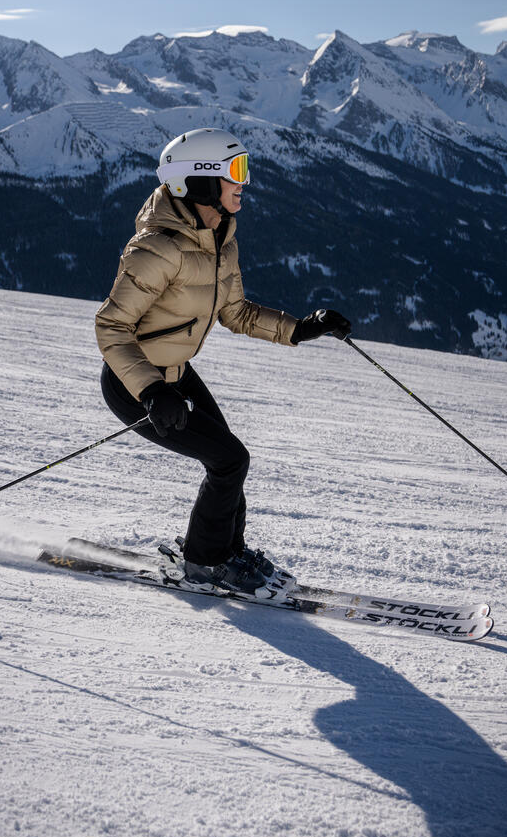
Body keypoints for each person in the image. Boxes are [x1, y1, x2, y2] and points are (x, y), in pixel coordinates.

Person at [95, 127, 351, 596]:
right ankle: (204, 562)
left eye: (244, 170)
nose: (244, 183)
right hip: (137, 387)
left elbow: (235, 311)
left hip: (176, 375)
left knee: (229, 457)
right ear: (201, 180)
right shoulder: (158, 248)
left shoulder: (219, 239)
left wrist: (301, 328)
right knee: (230, 460)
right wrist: (153, 391)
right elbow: (111, 327)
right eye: (236, 172)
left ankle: (226, 551)